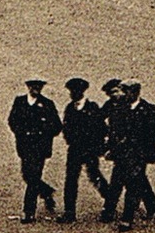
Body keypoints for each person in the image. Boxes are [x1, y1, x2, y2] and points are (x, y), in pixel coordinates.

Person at [102, 80, 155, 231]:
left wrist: (140, 142)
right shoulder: (120, 108)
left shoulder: (148, 109)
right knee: (117, 181)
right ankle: (151, 206)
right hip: (121, 153)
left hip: (139, 154)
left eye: (126, 91)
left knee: (133, 185)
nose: (122, 94)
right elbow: (114, 131)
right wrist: (110, 148)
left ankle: (127, 218)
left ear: (135, 92)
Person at [7, 78, 62, 222]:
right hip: (24, 146)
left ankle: (28, 211)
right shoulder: (19, 102)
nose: (35, 89)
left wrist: (42, 133)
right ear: (28, 88)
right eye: (33, 87)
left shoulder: (48, 104)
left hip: (40, 147)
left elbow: (56, 126)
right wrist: (21, 132)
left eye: (38, 87)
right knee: (27, 175)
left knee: (33, 178)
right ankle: (46, 191)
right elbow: (12, 121)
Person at [59, 77, 109, 223]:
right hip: (74, 150)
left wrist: (96, 146)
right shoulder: (69, 108)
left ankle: (110, 201)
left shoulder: (92, 107)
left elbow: (101, 128)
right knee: (70, 179)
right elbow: (66, 127)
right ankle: (69, 212)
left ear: (82, 92)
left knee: (94, 176)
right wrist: (70, 140)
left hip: (90, 149)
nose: (72, 94)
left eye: (75, 91)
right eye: (71, 91)